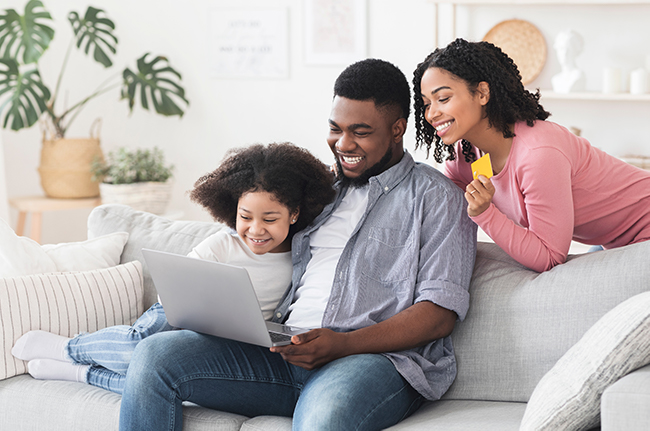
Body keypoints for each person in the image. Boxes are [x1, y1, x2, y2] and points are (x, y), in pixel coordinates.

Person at [117, 59, 476, 431]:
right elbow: (256, 230)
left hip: (373, 361)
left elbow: (438, 315)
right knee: (154, 356)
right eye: (335, 129)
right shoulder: (318, 191)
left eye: (361, 132)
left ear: (397, 128)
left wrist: (342, 344)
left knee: (325, 418)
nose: (344, 143)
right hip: (283, 352)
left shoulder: (438, 198)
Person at [11, 142, 336, 395]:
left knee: (162, 384)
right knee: (138, 346)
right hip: (177, 313)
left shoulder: (301, 256)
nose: (255, 229)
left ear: (293, 214)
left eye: (269, 219)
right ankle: (67, 348)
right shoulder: (223, 244)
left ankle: (81, 373)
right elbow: (180, 283)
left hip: (228, 341)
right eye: (245, 217)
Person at [413, 38, 650, 273]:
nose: (431, 114)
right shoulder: (465, 157)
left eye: (443, 98)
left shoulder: (538, 154)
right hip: (610, 242)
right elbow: (446, 218)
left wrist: (485, 214)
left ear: (483, 93)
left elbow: (549, 257)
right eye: (425, 104)